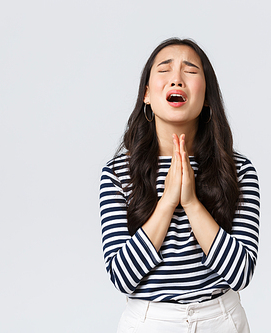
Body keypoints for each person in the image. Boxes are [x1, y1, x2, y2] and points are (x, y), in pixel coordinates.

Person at [99, 38, 260, 333]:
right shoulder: (118, 173)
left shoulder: (238, 171)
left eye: (190, 71)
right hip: (148, 323)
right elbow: (122, 277)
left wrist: (191, 203)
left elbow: (241, 273)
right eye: (164, 70)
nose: (176, 79)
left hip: (221, 320)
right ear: (146, 94)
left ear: (208, 96)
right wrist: (167, 202)